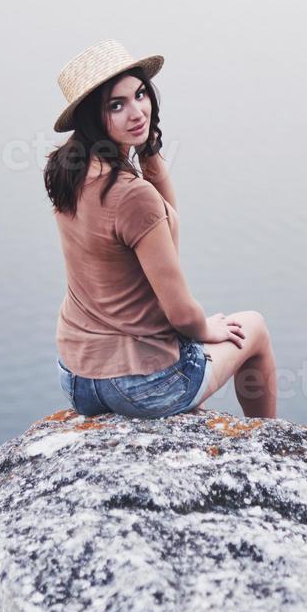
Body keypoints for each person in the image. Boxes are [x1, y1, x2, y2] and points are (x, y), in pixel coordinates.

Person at [43, 39, 277, 420]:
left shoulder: (66, 170)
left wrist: (146, 146)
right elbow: (182, 314)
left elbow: (164, 220)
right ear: (91, 117)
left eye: (140, 95)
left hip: (77, 379)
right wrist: (205, 327)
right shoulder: (131, 195)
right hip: (140, 386)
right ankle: (270, 444)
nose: (137, 112)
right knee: (255, 328)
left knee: (185, 352)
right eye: (116, 106)